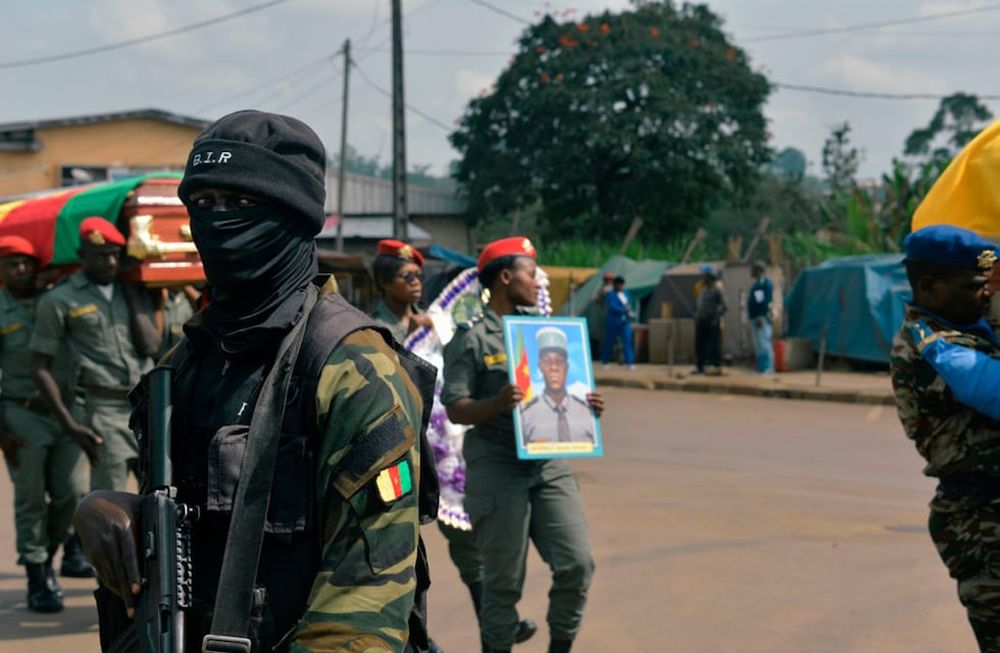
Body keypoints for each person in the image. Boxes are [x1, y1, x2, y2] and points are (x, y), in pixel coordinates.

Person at [72, 110, 428, 652]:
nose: (216, 221)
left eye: (239, 204)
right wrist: (111, 508)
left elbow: (363, 607)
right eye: (202, 204)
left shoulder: (352, 369)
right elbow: (197, 523)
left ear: (295, 216)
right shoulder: (189, 360)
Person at [372, 239, 537, 651]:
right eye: (406, 277)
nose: (415, 284)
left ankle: (493, 621)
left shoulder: (436, 324)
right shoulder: (373, 331)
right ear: (384, 283)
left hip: (443, 458)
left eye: (418, 277)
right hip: (395, 454)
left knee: (465, 540)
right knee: (397, 551)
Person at [442, 236, 602, 653]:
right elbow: (456, 408)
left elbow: (563, 392)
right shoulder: (472, 338)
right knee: (502, 584)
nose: (539, 281)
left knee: (577, 564)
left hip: (548, 465)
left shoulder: (545, 331)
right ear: (506, 276)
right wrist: (496, 403)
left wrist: (586, 407)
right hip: (497, 466)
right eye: (532, 273)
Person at [890, 224, 1000, 652]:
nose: (986, 294)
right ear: (930, 287)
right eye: (976, 286)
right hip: (981, 521)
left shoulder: (972, 328)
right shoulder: (932, 343)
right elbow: (989, 389)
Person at [30, 217, 163, 493]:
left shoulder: (133, 289)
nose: (111, 263)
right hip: (103, 409)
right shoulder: (59, 300)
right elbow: (39, 366)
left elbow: (150, 346)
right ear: (82, 257)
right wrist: (69, 423)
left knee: (159, 495)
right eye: (102, 256)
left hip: (147, 406)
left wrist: (130, 289)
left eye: (115, 256)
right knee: (109, 501)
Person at [0, 236, 90, 612]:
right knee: (31, 499)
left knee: (72, 491)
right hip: (22, 413)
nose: (20, 269)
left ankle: (55, 553)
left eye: (26, 262)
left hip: (67, 411)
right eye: (11, 263)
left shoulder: (55, 299)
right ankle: (38, 574)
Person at [520, 327, 595, 444]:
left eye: (559, 361)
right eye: (547, 362)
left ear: (567, 367)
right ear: (540, 367)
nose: (553, 367)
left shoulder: (586, 411)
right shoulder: (527, 414)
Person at [371, 238, 433, 343]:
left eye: (419, 275)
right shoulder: (374, 328)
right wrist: (411, 339)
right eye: (407, 276)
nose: (416, 282)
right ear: (384, 282)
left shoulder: (428, 316)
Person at [693, 264, 726, 375]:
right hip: (701, 320)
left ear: (710, 277)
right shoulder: (704, 289)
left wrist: (716, 317)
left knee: (714, 344)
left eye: (705, 276)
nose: (703, 278)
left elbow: (724, 306)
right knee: (700, 344)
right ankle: (700, 367)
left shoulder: (717, 290)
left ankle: (716, 366)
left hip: (711, 321)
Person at [600, 275, 635, 369]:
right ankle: (605, 361)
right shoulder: (611, 294)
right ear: (615, 285)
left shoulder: (626, 293)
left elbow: (630, 304)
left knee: (627, 341)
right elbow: (613, 307)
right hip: (613, 321)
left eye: (621, 285)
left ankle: (630, 362)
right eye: (618, 284)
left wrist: (630, 312)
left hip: (625, 321)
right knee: (609, 341)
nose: (620, 286)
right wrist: (624, 310)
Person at [747, 261, 774, 375]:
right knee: (758, 344)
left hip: (760, 318)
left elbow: (764, 301)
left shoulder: (763, 283)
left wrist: (760, 315)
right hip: (755, 317)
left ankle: (768, 368)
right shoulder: (758, 283)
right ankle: (761, 368)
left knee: (764, 343)